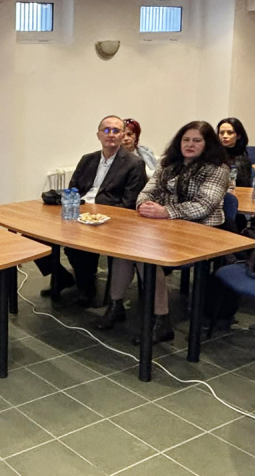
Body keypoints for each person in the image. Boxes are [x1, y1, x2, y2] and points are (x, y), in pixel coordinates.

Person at [100, 121, 230, 344]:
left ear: (207, 144)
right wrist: (144, 205)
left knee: (146, 258)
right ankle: (115, 305)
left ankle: (162, 321)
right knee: (125, 248)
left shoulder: (217, 169)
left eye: (196, 140)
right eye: (186, 140)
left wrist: (166, 211)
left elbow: (204, 206)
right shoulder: (169, 164)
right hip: (166, 227)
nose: (189, 145)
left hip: (202, 231)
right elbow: (147, 191)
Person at [34, 115, 148, 307]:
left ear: (122, 136)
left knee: (76, 245)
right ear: (98, 135)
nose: (111, 134)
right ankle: (62, 277)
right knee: (34, 235)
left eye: (116, 130)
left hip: (108, 220)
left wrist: (94, 215)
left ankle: (86, 287)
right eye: (106, 130)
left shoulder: (134, 164)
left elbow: (129, 203)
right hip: (78, 212)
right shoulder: (88, 159)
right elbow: (73, 189)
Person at [217, 118, 252, 187]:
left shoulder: (243, 158)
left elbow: (243, 184)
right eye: (221, 133)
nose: (225, 136)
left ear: (238, 136)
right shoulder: (212, 154)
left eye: (230, 133)